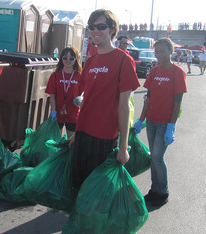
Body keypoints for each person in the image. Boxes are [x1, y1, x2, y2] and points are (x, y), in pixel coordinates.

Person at [69, 9, 140, 188]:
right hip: (83, 134)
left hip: (104, 138)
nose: (95, 31)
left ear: (112, 30)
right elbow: (86, 101)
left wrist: (123, 148)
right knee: (79, 187)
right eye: (91, 27)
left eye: (101, 26)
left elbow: (125, 107)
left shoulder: (123, 60)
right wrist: (77, 133)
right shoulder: (91, 62)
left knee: (97, 193)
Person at [133, 38, 187, 207]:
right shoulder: (154, 72)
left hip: (165, 123)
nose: (159, 55)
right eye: (157, 52)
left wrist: (172, 126)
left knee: (157, 156)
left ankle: (163, 191)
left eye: (163, 51)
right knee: (153, 158)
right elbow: (147, 99)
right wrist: (140, 120)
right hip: (151, 121)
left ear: (171, 52)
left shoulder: (177, 72)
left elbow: (177, 103)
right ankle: (154, 190)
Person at [46, 47, 83, 137]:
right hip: (58, 114)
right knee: (56, 141)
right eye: (65, 58)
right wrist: (53, 112)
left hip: (73, 115)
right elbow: (52, 95)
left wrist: (81, 99)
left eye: (71, 58)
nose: (68, 60)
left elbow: (83, 94)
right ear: (61, 59)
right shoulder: (55, 75)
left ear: (76, 60)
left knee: (72, 142)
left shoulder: (79, 76)